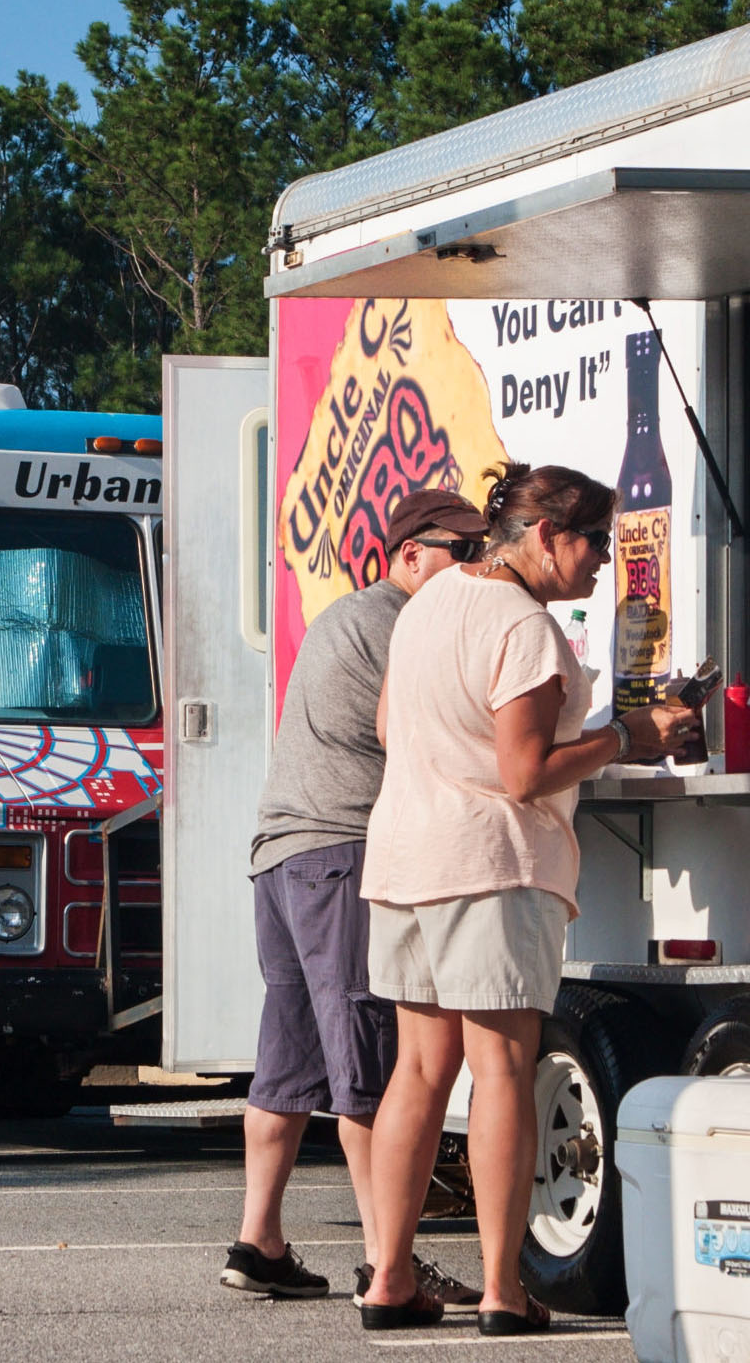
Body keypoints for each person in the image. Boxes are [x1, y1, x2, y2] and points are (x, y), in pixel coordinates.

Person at [355, 463, 699, 1334]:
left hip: (404, 859)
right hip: (490, 865)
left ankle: (389, 1276)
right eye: (592, 545)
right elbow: (524, 774)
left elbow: (392, 727)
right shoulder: (527, 627)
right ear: (545, 535)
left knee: (419, 1072)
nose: (600, 567)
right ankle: (505, 1290)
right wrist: (629, 734)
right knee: (501, 1070)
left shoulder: (427, 601)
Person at [222, 488, 492, 1310]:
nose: (479, 567)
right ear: (411, 555)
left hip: (282, 855)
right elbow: (412, 730)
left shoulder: (350, 616)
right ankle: (388, 1268)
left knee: (290, 1060)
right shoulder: (402, 622)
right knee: (368, 1066)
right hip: (340, 853)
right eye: (464, 552)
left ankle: (260, 1240)